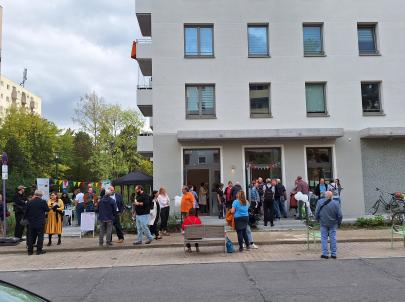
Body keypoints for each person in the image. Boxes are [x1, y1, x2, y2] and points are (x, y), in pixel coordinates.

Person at [315, 191, 343, 259]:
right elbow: (340, 215)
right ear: (332, 196)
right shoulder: (336, 203)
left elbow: (316, 212)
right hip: (333, 223)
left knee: (324, 238)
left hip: (323, 223)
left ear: (325, 195)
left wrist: (317, 219)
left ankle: (325, 254)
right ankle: (333, 254)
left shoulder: (320, 202)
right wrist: (339, 223)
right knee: (333, 238)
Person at [24, 190, 49, 255]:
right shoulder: (43, 202)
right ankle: (39, 251)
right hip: (40, 222)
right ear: (41, 195)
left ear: (35, 194)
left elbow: (25, 212)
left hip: (31, 222)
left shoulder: (29, 202)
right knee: (40, 236)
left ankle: (30, 251)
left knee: (30, 237)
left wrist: (25, 219)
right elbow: (47, 210)